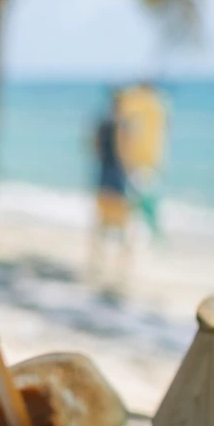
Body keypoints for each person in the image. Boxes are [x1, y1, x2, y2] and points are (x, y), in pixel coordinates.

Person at [90, 89, 133, 287]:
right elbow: (126, 154)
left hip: (102, 180)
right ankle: (120, 272)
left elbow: (95, 149)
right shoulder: (123, 126)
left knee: (101, 226)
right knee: (123, 230)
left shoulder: (102, 125)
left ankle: (97, 267)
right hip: (118, 183)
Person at [116, 80, 168, 239]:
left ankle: (139, 234)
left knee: (135, 200)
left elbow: (124, 131)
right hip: (151, 161)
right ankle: (152, 233)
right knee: (144, 199)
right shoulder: (159, 105)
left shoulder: (133, 103)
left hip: (136, 161)